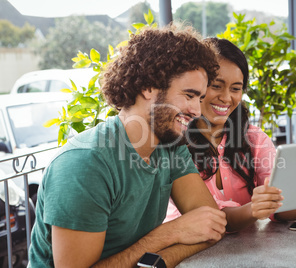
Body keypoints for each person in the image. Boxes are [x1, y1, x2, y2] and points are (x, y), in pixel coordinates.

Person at [28, 26, 228, 268]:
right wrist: (170, 234)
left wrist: (156, 261)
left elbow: (211, 226)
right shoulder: (85, 164)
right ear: (148, 87)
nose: (197, 110)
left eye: (200, 99)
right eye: (189, 95)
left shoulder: (170, 144)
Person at [165, 38, 296, 231]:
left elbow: (281, 206)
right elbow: (208, 218)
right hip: (190, 254)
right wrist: (252, 210)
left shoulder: (254, 139)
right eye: (216, 85)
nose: (226, 97)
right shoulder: (175, 143)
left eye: (236, 89)